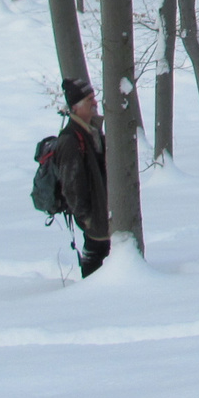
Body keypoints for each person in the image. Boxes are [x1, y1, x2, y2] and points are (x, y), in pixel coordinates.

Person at [55, 79, 110, 277]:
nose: (95, 103)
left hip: (103, 217)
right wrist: (87, 220)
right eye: (89, 100)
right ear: (76, 108)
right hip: (96, 221)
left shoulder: (92, 131)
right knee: (95, 261)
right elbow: (71, 186)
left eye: (94, 98)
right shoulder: (70, 140)